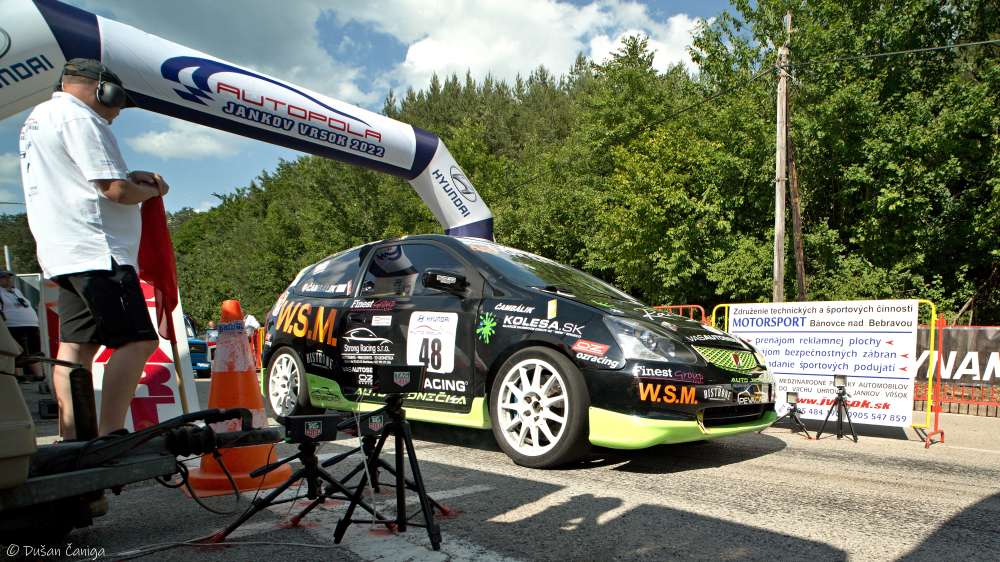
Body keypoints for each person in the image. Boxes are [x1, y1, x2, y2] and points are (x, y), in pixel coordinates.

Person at [19, 58, 170, 439]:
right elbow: (115, 191)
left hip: (64, 250)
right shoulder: (81, 118)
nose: (117, 113)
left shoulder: (39, 117)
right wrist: (151, 189)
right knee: (139, 341)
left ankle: (74, 438)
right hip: (98, 250)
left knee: (76, 348)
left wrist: (128, 177)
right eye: (118, 103)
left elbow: (82, 179)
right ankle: (110, 434)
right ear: (102, 89)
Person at [0, 270, 44, 382]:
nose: (8, 279)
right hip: (12, 325)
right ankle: (17, 376)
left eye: (9, 277)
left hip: (31, 324)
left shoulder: (16, 291)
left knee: (34, 351)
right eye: (4, 277)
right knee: (15, 352)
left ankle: (39, 376)